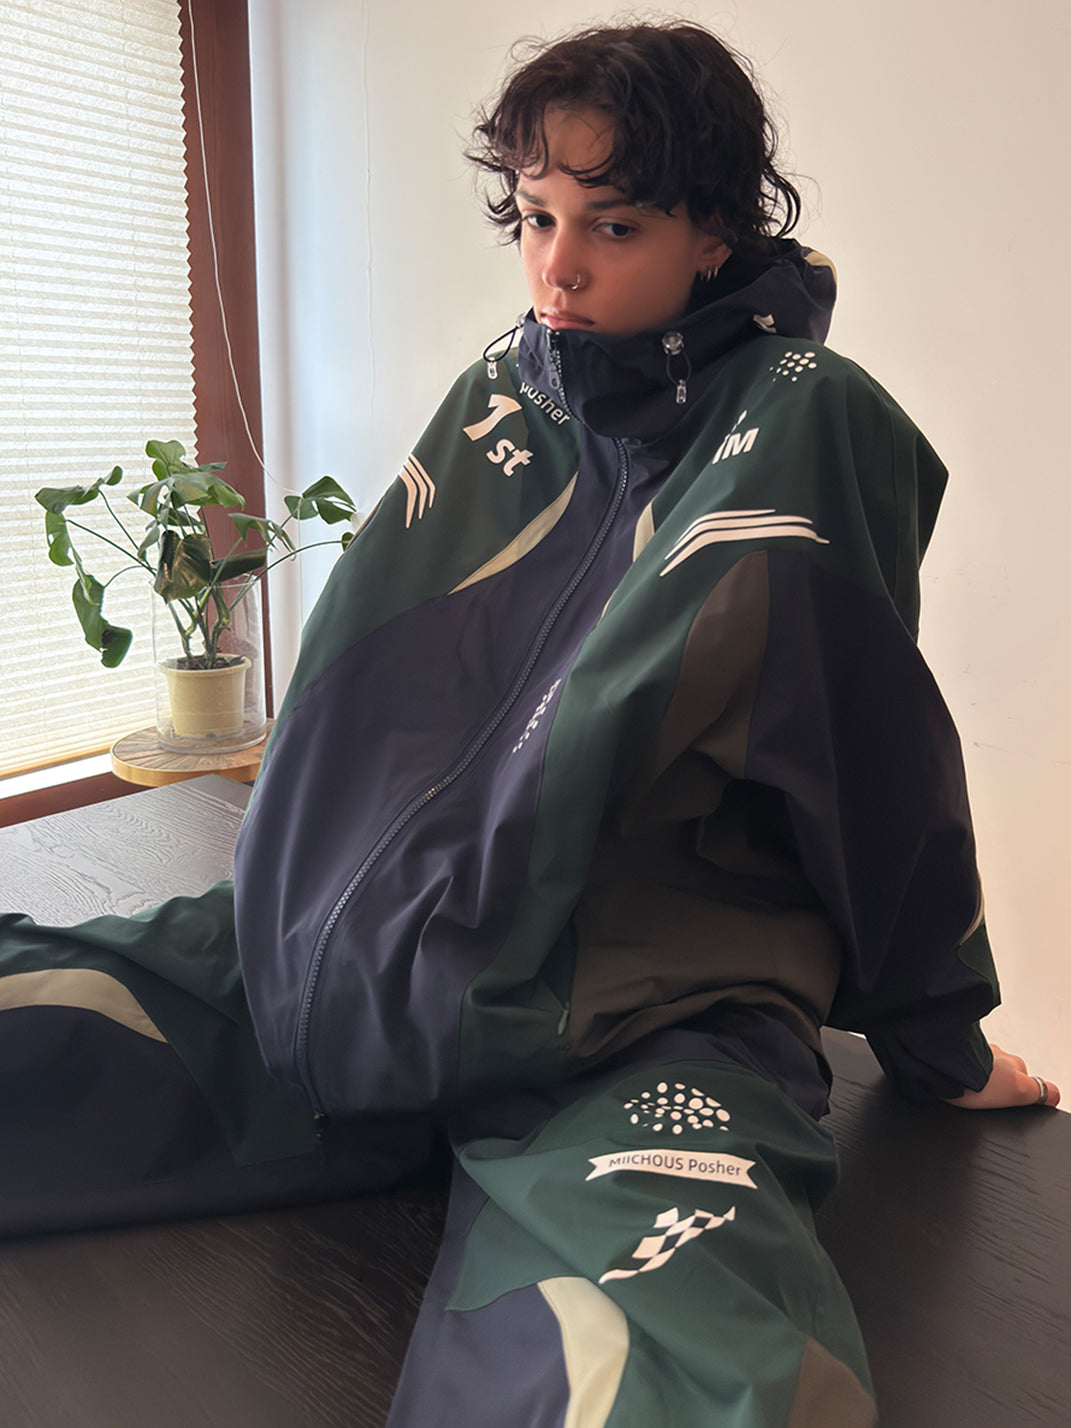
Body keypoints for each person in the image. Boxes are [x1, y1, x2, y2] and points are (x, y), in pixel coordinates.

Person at [0, 19, 1059, 1427]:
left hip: (630, 1014)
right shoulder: (505, 391)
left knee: (675, 1377)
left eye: (612, 225)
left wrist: (938, 1039)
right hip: (357, 978)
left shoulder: (811, 422)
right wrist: (290, 914)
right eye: (537, 216)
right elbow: (365, 695)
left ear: (713, 232)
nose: (558, 268)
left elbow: (872, 759)